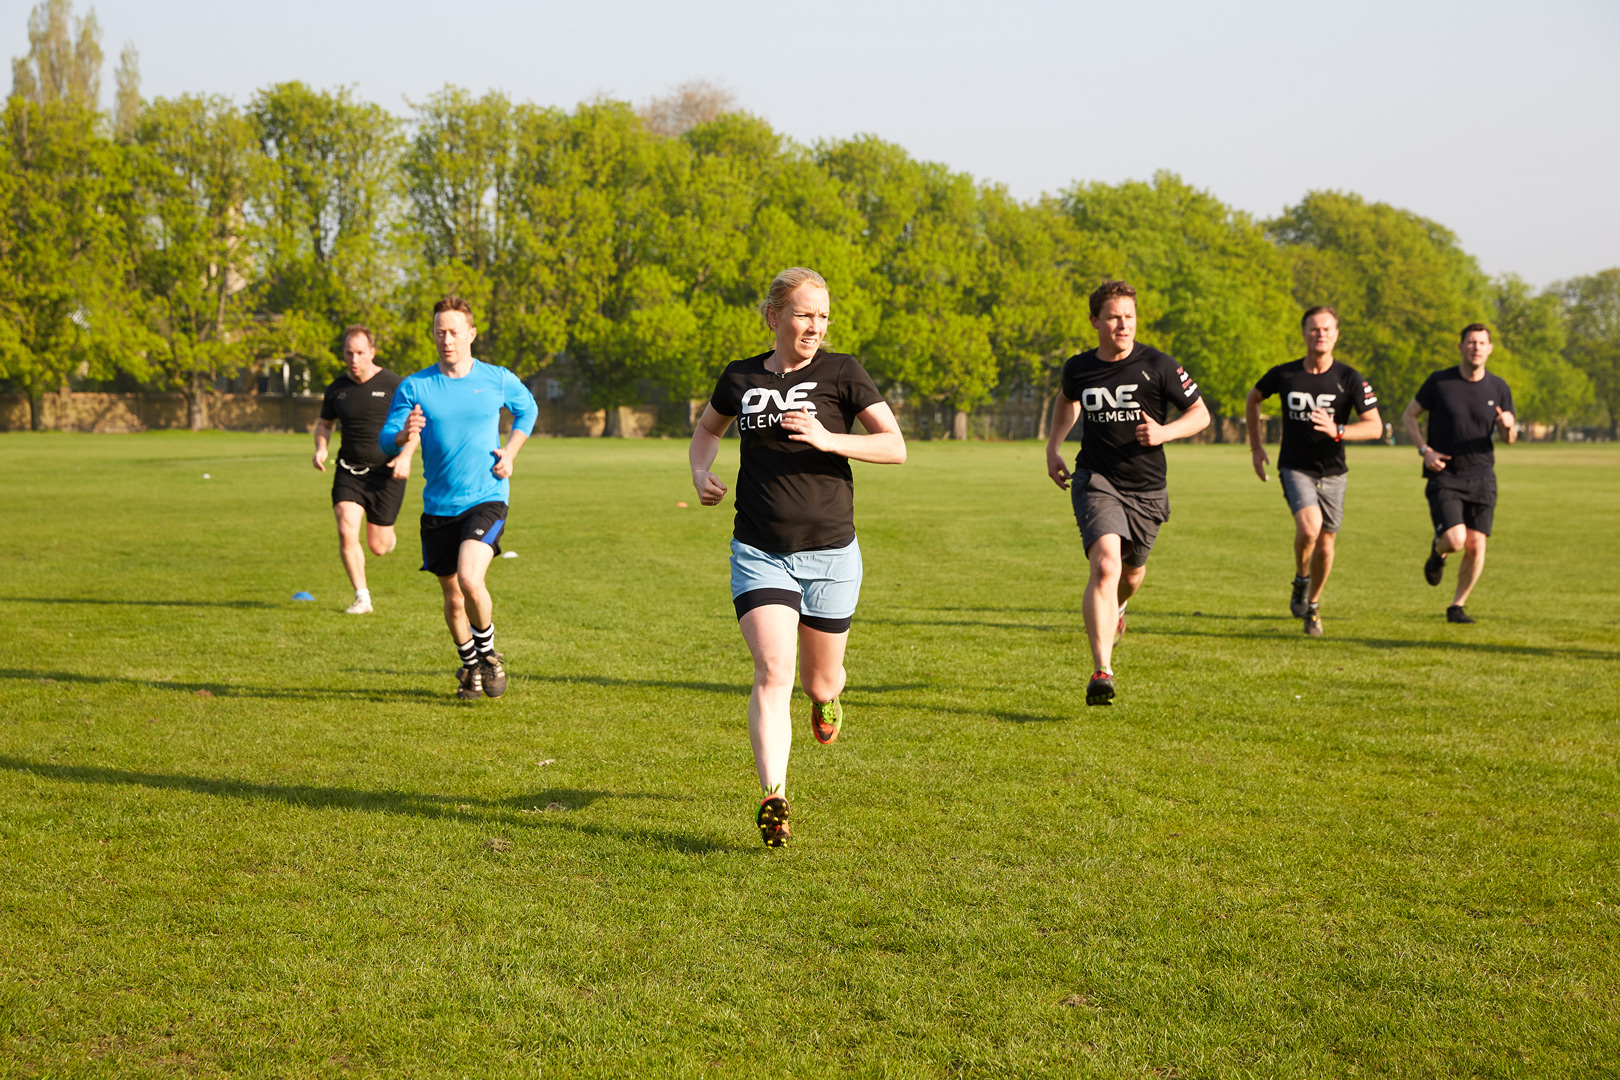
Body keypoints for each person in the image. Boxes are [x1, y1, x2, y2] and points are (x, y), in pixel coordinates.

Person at [688, 267, 905, 847]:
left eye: (823, 316)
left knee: (819, 680)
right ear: (774, 316)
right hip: (760, 549)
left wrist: (831, 439)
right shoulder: (740, 377)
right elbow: (707, 431)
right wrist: (700, 471)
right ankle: (774, 796)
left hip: (832, 552)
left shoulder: (843, 372)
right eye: (805, 314)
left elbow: (895, 445)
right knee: (772, 671)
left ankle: (828, 701)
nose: (815, 326)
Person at [1045, 280, 1210, 706]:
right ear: (1095, 321)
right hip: (1096, 479)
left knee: (1131, 574)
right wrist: (1053, 447)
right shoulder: (1079, 368)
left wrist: (1164, 432)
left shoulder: (1159, 364)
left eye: (1129, 317)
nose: (1123, 324)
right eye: (1114, 317)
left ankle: (1118, 610)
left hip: (1148, 489)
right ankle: (1102, 670)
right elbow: (1067, 401)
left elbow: (1200, 414)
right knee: (1105, 565)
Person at [380, 296, 538, 699]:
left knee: (471, 578)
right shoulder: (415, 386)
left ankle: (488, 657)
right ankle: (471, 667)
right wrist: (402, 434)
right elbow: (386, 438)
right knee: (452, 598)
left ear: (471, 334)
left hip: (487, 496)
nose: (446, 339)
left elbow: (528, 409)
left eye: (453, 332)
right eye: (439, 332)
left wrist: (511, 451)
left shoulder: (496, 378)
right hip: (438, 506)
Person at [1245, 307, 1383, 636]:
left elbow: (1374, 426)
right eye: (1314, 329)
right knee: (1310, 529)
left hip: (1333, 471)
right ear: (1304, 333)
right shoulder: (1286, 374)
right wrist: (1256, 447)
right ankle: (1301, 578)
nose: (1320, 334)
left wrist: (1338, 430)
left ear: (1336, 334)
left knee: (1325, 544)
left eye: (1326, 329)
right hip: (1295, 467)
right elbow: (1254, 398)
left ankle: (1313, 604)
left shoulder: (1350, 378)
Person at [1401, 323, 1516, 623]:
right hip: (1445, 474)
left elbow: (1509, 436)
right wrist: (1424, 450)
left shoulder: (1499, 387)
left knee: (1476, 545)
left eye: (1482, 343)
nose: (1477, 347)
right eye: (1471, 342)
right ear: (1461, 347)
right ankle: (1437, 553)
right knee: (1455, 540)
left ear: (1490, 348)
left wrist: (1507, 428)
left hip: (1482, 476)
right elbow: (1409, 415)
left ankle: (1457, 605)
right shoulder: (1440, 383)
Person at [312, 326, 416, 615]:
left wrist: (405, 456)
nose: (354, 358)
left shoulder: (395, 384)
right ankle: (362, 597)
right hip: (348, 470)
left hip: (386, 472)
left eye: (360, 352)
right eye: (348, 352)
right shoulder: (337, 389)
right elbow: (324, 424)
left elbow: (415, 427)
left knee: (379, 546)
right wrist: (321, 447)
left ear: (372, 352)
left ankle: (388, 536)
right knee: (346, 529)